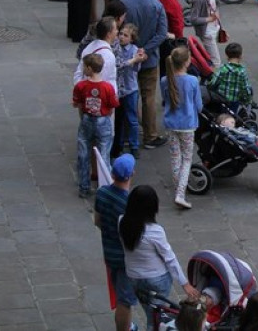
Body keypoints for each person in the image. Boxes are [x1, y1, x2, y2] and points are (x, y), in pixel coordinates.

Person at [120, 185, 198, 324]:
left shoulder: (121, 222)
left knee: (151, 313)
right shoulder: (155, 231)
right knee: (155, 319)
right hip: (156, 279)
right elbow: (170, 259)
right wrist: (185, 284)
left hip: (133, 276)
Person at [122, 0, 169, 150]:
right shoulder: (155, 5)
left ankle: (127, 133)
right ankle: (150, 135)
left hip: (127, 60)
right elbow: (162, 33)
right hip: (149, 60)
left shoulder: (124, 5)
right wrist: (147, 49)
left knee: (128, 94)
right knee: (148, 97)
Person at [94, 153, 137, 331]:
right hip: (125, 258)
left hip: (109, 252)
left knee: (119, 292)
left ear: (112, 174)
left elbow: (97, 221)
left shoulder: (102, 193)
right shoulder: (129, 204)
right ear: (131, 174)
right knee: (125, 300)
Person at [73, 52, 120, 198]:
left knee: (83, 153)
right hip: (103, 119)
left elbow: (77, 103)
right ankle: (105, 187)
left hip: (87, 119)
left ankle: (84, 187)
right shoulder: (108, 88)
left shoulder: (81, 86)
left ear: (89, 68)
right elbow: (112, 106)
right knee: (104, 153)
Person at [161, 46, 202, 209]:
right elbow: (198, 105)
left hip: (171, 123)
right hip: (187, 124)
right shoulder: (192, 81)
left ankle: (179, 188)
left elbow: (165, 100)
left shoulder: (165, 80)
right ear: (187, 62)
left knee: (175, 158)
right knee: (187, 159)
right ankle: (180, 193)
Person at [115, 23, 146, 160]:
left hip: (130, 89)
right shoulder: (116, 48)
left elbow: (135, 69)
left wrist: (138, 59)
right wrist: (134, 60)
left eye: (125, 35)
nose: (121, 37)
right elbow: (118, 66)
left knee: (132, 119)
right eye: (120, 33)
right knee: (119, 119)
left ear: (132, 39)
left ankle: (134, 146)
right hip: (118, 90)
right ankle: (119, 144)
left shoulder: (134, 49)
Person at [189, 0, 223, 68]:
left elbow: (214, 6)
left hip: (213, 28)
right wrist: (210, 19)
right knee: (216, 62)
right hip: (207, 32)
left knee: (212, 57)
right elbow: (193, 19)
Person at [208, 43, 253, 112]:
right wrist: (248, 100)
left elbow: (213, 83)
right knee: (233, 113)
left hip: (221, 99)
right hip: (234, 100)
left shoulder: (222, 68)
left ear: (227, 56)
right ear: (240, 56)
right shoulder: (242, 71)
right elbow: (245, 88)